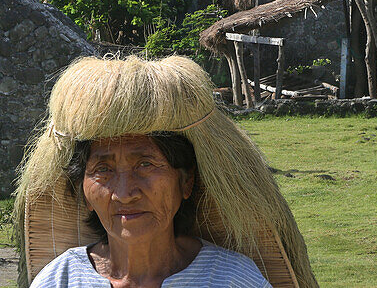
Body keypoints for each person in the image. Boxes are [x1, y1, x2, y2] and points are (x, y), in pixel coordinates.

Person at [16, 55, 317, 287]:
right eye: (103, 169)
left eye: (145, 165)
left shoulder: (231, 279)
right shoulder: (60, 279)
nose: (124, 193)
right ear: (82, 188)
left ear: (186, 182)